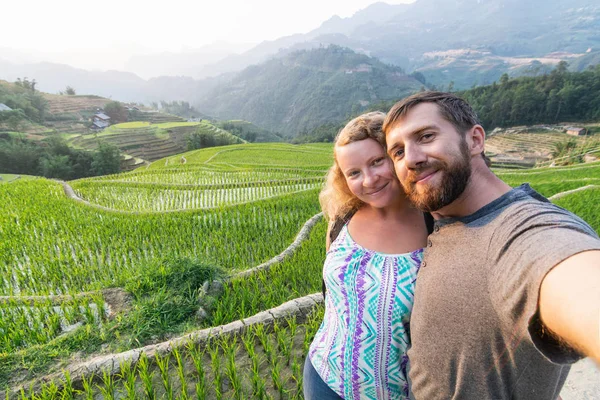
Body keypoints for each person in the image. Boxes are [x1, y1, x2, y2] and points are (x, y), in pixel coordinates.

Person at [382, 91, 600, 399]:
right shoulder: (440, 216)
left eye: (426, 136)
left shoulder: (519, 228)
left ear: (475, 140)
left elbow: (572, 275)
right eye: (398, 152)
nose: (412, 158)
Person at [304, 112, 431, 399]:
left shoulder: (434, 228)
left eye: (377, 162)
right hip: (323, 376)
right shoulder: (342, 219)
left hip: (392, 392)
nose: (369, 180)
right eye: (354, 173)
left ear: (397, 156)